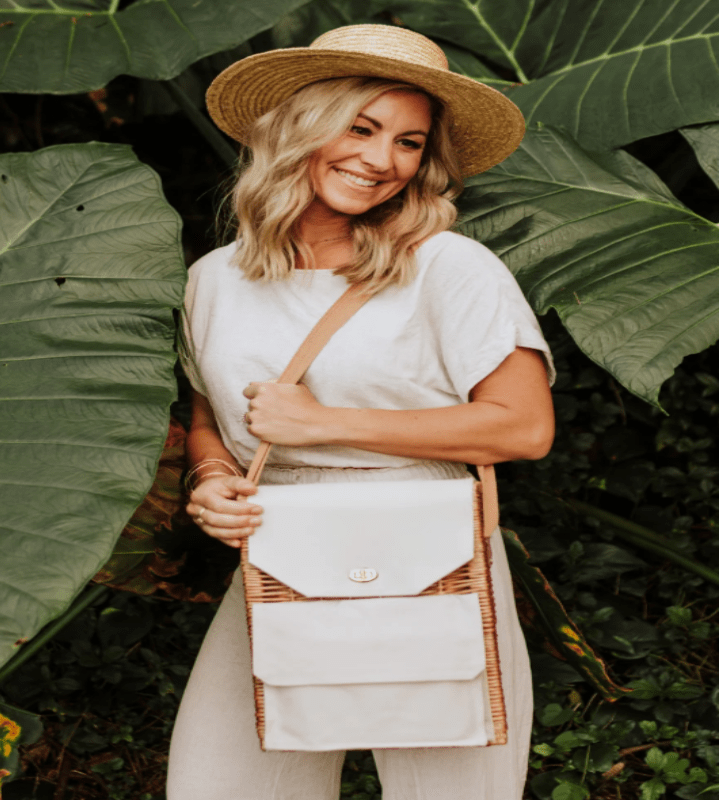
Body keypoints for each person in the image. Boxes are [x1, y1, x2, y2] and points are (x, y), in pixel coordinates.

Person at [167, 23, 555, 800]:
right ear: (296, 128)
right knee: (220, 784)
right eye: (361, 127)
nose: (382, 161)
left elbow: (524, 427)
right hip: (278, 557)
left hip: (433, 554)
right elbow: (208, 413)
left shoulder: (448, 267)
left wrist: (327, 424)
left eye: (409, 143)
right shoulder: (215, 279)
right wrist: (211, 480)